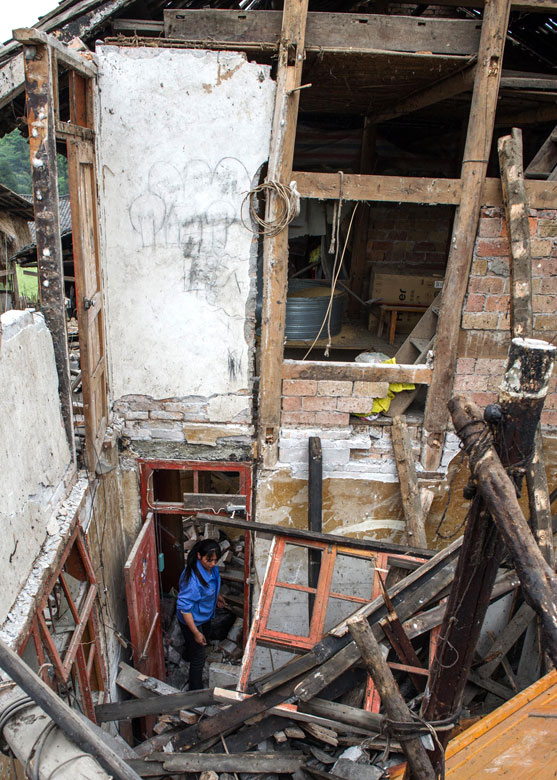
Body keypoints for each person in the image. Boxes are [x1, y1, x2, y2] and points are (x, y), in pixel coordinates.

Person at [176, 539, 225, 690]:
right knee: (199, 657)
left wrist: (217, 596)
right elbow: (185, 609)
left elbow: (213, 583)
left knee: (205, 635)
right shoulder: (193, 580)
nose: (213, 564)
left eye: (216, 560)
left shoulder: (212, 569)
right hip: (193, 620)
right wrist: (196, 632)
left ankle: (186, 655)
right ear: (199, 556)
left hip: (205, 615)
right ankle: (195, 690)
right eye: (209, 560)